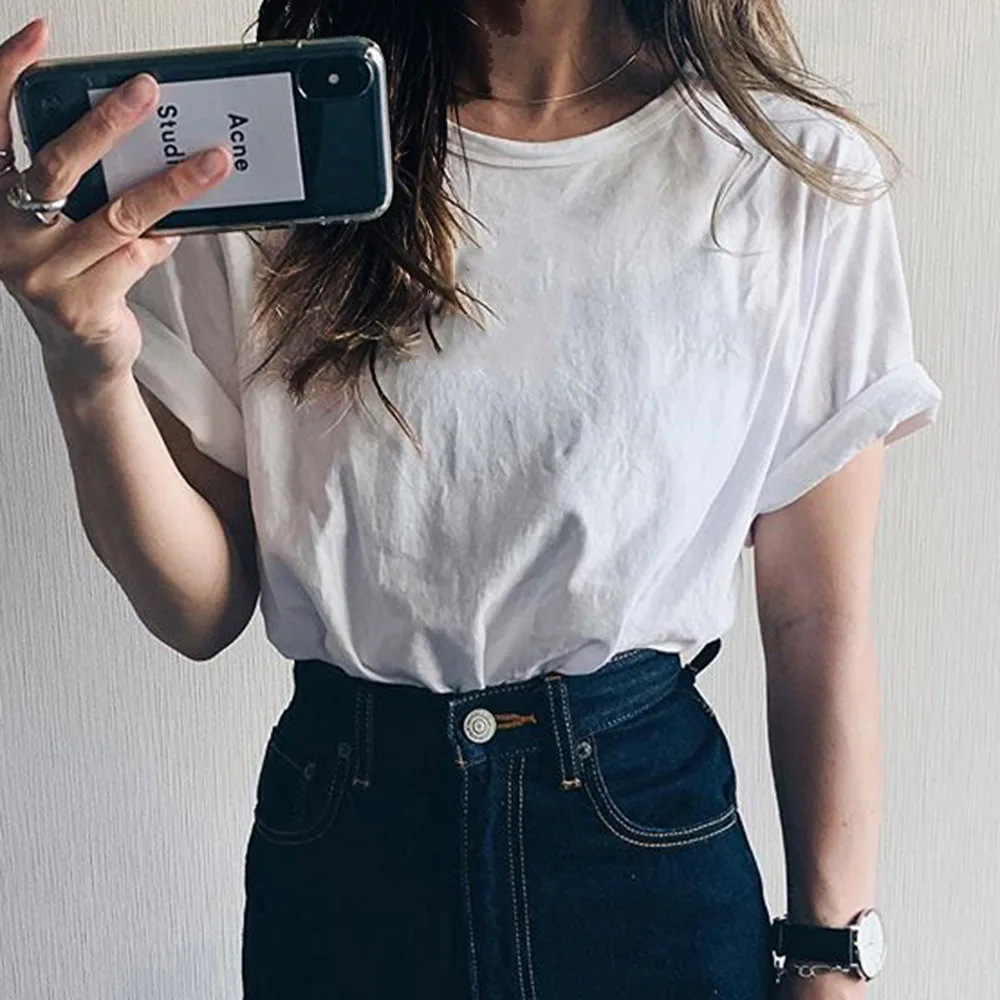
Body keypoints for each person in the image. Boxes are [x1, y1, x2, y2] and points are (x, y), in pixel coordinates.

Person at [0, 2, 942, 998]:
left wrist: (832, 960)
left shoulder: (786, 172)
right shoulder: (260, 148)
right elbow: (198, 609)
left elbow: (816, 621)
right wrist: (83, 362)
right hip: (346, 854)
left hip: (642, 858)